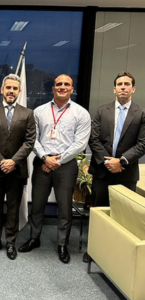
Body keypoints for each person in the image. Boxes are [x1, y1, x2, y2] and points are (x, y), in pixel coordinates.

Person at [18, 74, 91, 264]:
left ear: (72, 89)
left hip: (66, 166)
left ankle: (62, 244)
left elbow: (80, 144)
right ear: (53, 88)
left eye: (66, 84)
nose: (62, 87)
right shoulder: (39, 111)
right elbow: (32, 138)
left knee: (65, 207)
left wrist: (58, 161)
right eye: (59, 84)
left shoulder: (81, 113)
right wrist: (45, 157)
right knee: (38, 204)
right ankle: (35, 238)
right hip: (42, 163)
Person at [85, 71, 145, 262]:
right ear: (114, 89)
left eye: (127, 84)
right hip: (102, 172)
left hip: (126, 173)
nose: (123, 87)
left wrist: (121, 161)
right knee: (99, 212)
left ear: (133, 89)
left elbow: (142, 144)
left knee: (124, 216)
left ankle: (118, 257)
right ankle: (95, 251)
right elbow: (93, 139)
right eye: (119, 84)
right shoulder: (103, 111)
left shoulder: (141, 113)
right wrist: (107, 162)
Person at [0, 74, 36, 259]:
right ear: (2, 90)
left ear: (19, 91)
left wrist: (13, 161)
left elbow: (30, 142)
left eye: (15, 88)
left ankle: (11, 242)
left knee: (13, 208)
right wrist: (1, 161)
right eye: (8, 88)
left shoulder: (27, 113)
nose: (11, 91)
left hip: (17, 170)